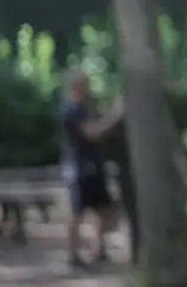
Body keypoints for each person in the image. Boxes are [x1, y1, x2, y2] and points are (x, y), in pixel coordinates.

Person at [60, 67, 124, 268]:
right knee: (76, 211)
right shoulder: (73, 109)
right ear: (76, 86)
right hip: (80, 168)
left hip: (93, 167)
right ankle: (73, 256)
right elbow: (93, 132)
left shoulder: (85, 108)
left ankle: (99, 249)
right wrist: (116, 114)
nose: (90, 88)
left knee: (106, 209)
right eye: (86, 84)